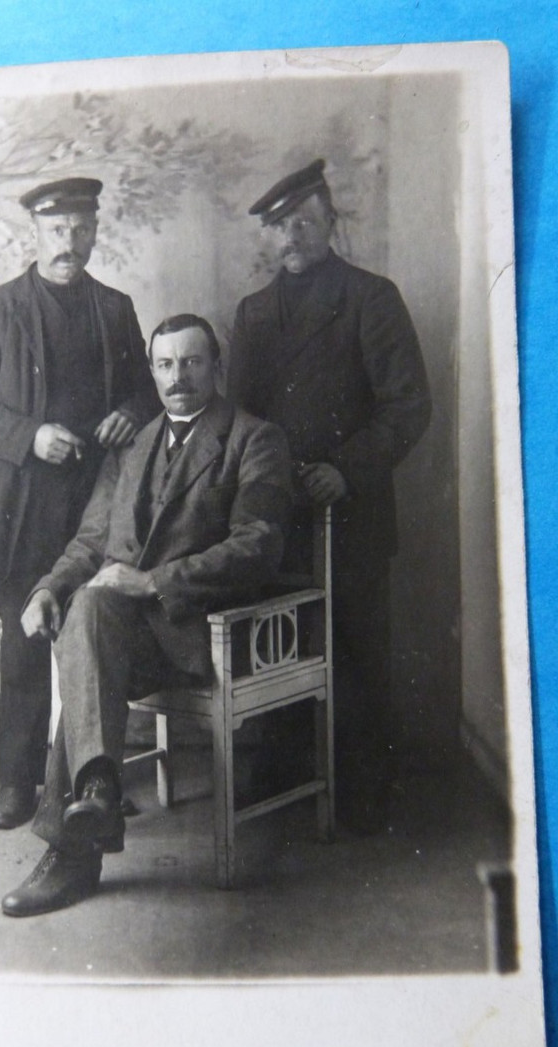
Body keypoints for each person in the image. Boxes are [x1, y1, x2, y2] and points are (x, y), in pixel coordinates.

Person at [0, 313, 293, 916]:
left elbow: (259, 544)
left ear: (216, 366)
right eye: (165, 364)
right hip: (124, 641)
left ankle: (76, 845)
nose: (177, 377)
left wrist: (153, 581)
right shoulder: (133, 446)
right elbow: (90, 542)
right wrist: (47, 588)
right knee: (86, 604)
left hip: (206, 634)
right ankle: (97, 795)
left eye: (191, 362)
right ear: (153, 371)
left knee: (94, 617)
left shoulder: (254, 438)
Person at [0, 178, 158, 830]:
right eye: (57, 229)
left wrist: (129, 411)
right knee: (25, 642)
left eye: (80, 228)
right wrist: (31, 435)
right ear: (34, 233)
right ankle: (19, 783)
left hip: (95, 508)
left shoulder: (115, 309)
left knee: (92, 640)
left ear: (94, 231)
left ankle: (92, 780)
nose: (69, 241)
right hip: (18, 508)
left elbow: (148, 394)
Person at [227, 159, 432, 834]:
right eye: (280, 227)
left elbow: (408, 406)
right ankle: (282, 777)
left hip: (353, 509)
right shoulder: (252, 314)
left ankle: (367, 789)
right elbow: (239, 419)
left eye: (305, 222)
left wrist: (345, 468)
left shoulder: (372, 298)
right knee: (275, 643)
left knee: (358, 648)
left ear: (330, 222)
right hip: (278, 515)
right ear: (267, 237)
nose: (293, 237)